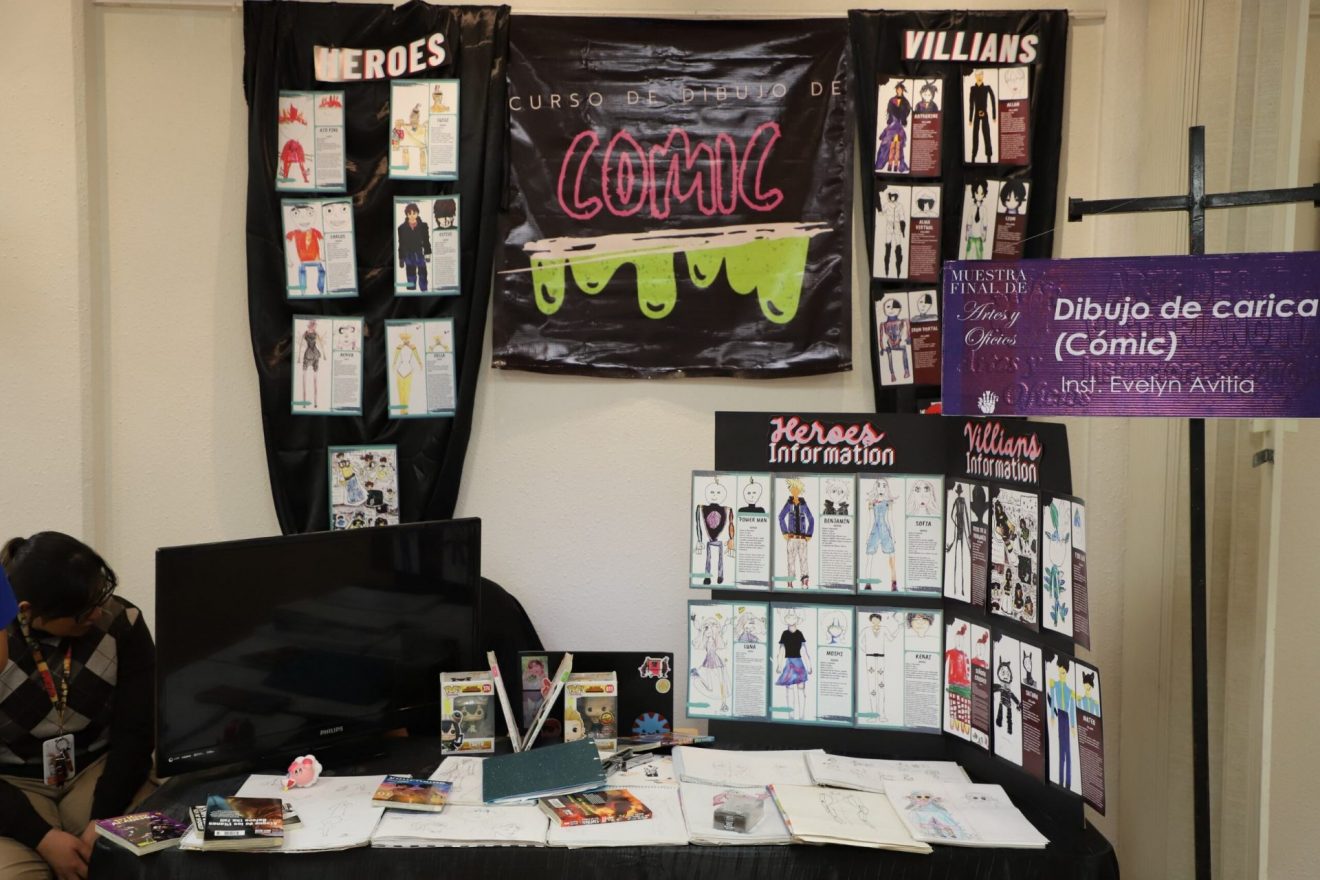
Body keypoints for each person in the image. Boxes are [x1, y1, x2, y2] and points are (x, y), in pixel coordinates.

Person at [0, 533, 155, 880]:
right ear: (26, 610)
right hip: (12, 785)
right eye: (82, 611)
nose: (98, 613)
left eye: (99, 597)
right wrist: (41, 837)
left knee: (146, 856)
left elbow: (136, 733)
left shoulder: (122, 622)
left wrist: (104, 818)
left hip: (99, 770)